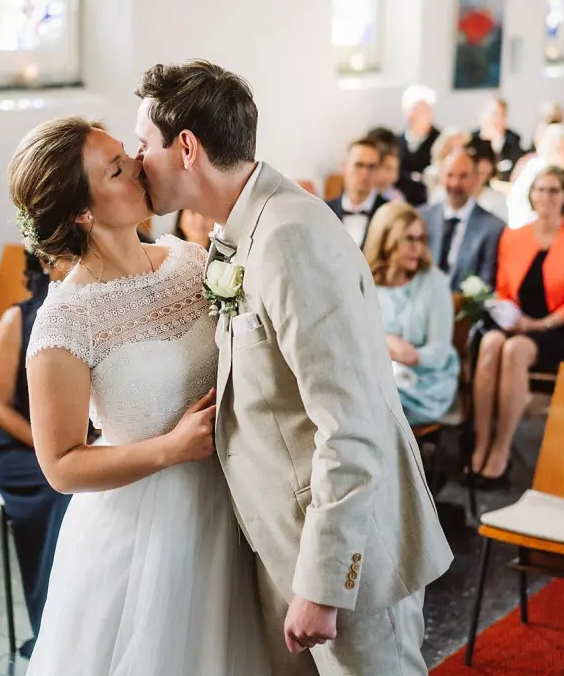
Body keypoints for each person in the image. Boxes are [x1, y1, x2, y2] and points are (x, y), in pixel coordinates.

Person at [135, 60, 452, 676]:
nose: (136, 157)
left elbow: (351, 423)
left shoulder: (289, 235)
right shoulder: (241, 229)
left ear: (187, 148)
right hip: (286, 541)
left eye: (143, 143)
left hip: (345, 557)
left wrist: (324, 582)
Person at [12, 117, 270, 675]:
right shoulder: (65, 318)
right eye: (116, 169)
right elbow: (60, 465)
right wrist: (170, 448)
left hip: (232, 504)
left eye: (127, 153)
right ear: (83, 211)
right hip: (143, 534)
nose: (139, 165)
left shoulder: (189, 262)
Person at [471, 166, 564, 488]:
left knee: (513, 350)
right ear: (531, 195)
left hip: (561, 327)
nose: (546, 197)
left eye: (554, 190)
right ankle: (480, 443)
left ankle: (501, 451)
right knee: (490, 345)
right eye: (540, 190)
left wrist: (538, 325)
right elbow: (503, 289)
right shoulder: (514, 237)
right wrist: (511, 317)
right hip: (518, 321)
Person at [0, 252, 72, 658]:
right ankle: (50, 629)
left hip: (78, 442)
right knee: (65, 492)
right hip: (23, 447)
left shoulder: (87, 308)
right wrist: (48, 445)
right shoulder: (16, 319)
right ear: (43, 261)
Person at [364, 204, 460, 424]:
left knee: (372, 407)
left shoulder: (433, 282)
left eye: (421, 239)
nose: (417, 247)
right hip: (377, 375)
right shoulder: (365, 281)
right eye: (409, 239)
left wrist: (406, 355)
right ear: (387, 241)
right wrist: (385, 344)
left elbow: (439, 352)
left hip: (424, 383)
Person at [418, 149, 505, 292]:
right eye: (450, 175)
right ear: (441, 177)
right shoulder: (421, 218)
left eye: (463, 176)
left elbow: (487, 281)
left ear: (477, 178)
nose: (455, 183)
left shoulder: (493, 228)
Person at [324, 138, 388, 248]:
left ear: (378, 171)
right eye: (359, 165)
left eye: (371, 167)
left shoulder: (388, 213)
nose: (365, 173)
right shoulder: (324, 211)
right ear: (344, 167)